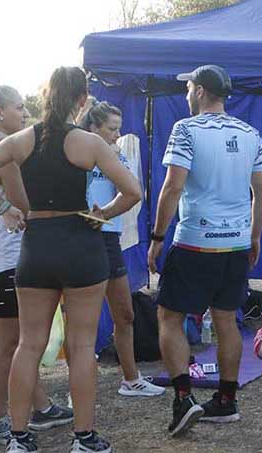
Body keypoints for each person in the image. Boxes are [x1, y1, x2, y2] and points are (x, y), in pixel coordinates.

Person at [0, 67, 142, 453]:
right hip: (80, 244)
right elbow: (133, 191)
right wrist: (103, 214)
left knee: (28, 345)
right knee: (81, 347)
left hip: (37, 247)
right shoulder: (89, 142)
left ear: (45, 95)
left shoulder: (20, 140)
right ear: (82, 100)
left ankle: (19, 438)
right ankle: (83, 438)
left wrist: (3, 207)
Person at [147, 64, 262, 437]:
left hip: (195, 240)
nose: (186, 94)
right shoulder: (250, 133)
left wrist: (157, 236)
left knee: (170, 317)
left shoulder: (186, 129)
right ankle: (226, 401)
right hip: (235, 243)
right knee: (226, 319)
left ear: (199, 91)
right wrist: (254, 236)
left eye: (188, 88)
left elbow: (172, 187)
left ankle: (183, 398)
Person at [0, 82, 73, 444]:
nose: (26, 113)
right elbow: (23, 204)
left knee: (20, 341)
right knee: (5, 342)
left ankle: (41, 407)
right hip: (0, 258)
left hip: (2, 256)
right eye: (19, 107)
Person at [80, 99, 165, 399]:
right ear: (93, 128)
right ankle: (79, 386)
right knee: (84, 320)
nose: (117, 135)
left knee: (125, 313)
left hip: (109, 238)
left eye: (119, 128)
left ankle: (131, 379)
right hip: (82, 239)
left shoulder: (116, 155)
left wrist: (104, 213)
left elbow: (131, 192)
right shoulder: (75, 152)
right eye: (112, 129)